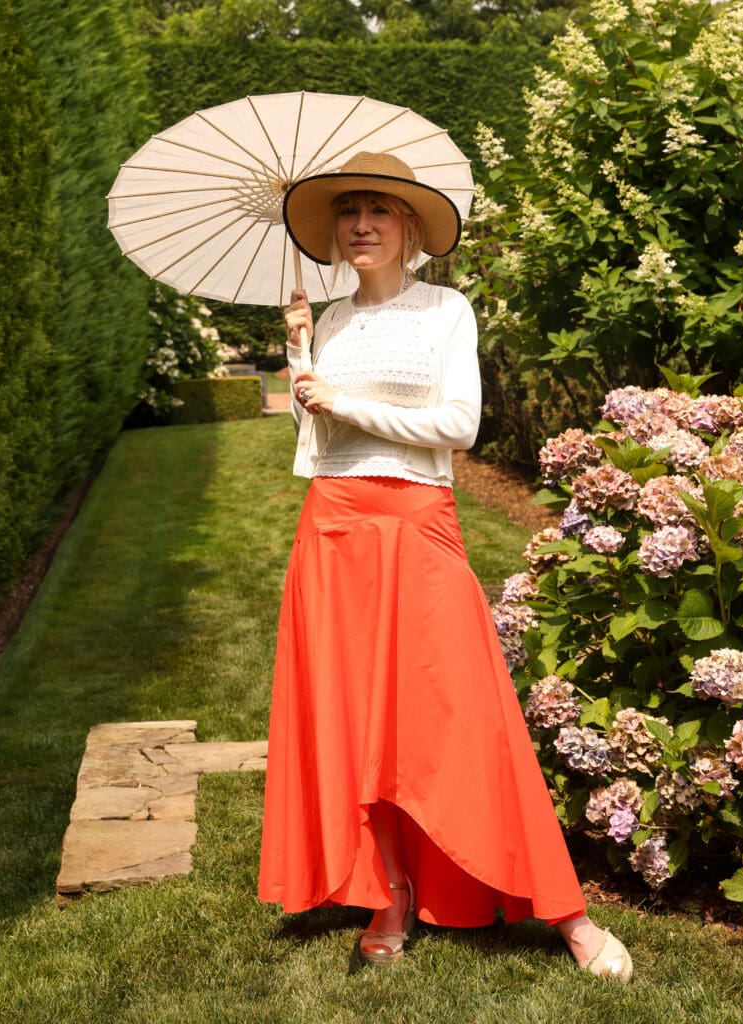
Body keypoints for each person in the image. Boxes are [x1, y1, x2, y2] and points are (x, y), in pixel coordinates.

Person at [257, 151, 632, 982]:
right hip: (333, 525)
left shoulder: (445, 309)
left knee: (461, 714)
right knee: (358, 721)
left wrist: (343, 401)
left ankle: (563, 912)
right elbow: (317, 448)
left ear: (412, 229)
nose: (360, 224)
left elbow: (458, 426)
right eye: (348, 211)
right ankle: (387, 894)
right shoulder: (327, 319)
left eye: (378, 211)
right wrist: (298, 364)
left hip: (417, 520)